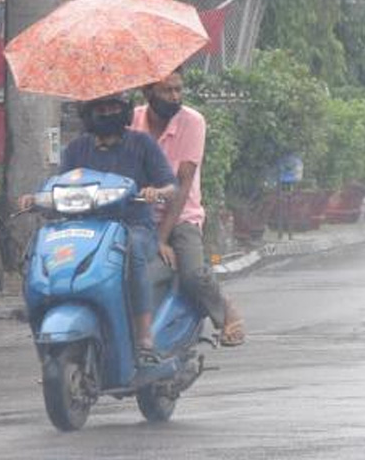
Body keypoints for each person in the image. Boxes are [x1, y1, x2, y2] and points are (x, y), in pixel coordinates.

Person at [21, 93, 176, 366]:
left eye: (114, 106)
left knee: (134, 254)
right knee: (35, 253)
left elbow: (170, 186)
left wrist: (155, 192)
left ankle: (143, 337)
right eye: (100, 107)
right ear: (88, 113)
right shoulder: (77, 150)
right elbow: (59, 185)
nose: (107, 112)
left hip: (133, 227)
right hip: (83, 228)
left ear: (125, 111)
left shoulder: (142, 144)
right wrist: (35, 199)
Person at [131, 72, 246, 347]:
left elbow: (183, 185)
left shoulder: (192, 121)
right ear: (148, 92)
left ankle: (224, 310)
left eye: (179, 90)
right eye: (167, 91)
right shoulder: (132, 120)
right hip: (139, 214)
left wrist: (161, 238)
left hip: (181, 215)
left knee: (193, 273)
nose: (175, 97)